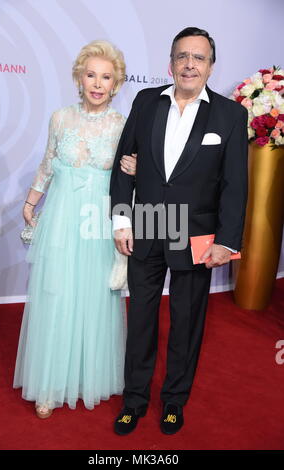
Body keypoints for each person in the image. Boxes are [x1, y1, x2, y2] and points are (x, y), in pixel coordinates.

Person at [110, 27, 248, 435]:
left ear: (210, 66)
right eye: (182, 56)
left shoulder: (229, 114)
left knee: (187, 323)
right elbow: (124, 165)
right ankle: (133, 399)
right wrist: (121, 219)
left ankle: (174, 400)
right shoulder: (146, 101)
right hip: (148, 225)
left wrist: (227, 240)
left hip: (198, 237)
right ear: (170, 64)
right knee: (141, 321)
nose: (190, 64)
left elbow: (235, 185)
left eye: (199, 58)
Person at [13, 40, 137, 419]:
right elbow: (48, 163)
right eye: (91, 75)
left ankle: (88, 378)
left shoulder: (121, 124)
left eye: (106, 77)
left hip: (97, 224)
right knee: (56, 297)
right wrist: (32, 201)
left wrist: (136, 170)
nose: (97, 84)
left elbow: (130, 178)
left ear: (115, 84)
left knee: (95, 300)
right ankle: (49, 385)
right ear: (78, 77)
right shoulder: (59, 118)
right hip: (62, 220)